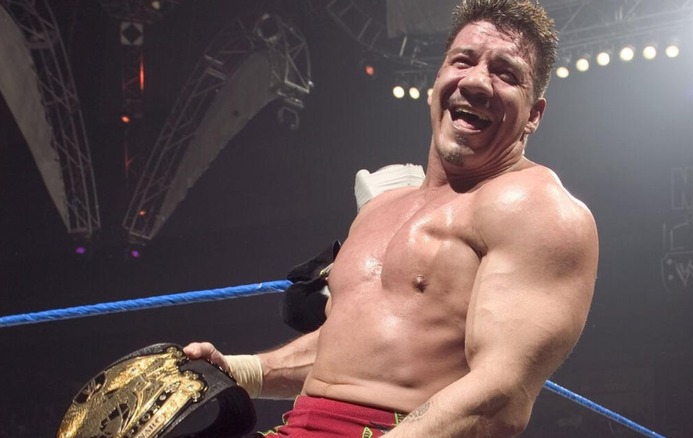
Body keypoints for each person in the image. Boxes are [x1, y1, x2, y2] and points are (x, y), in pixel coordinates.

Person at [185, 0, 599, 436]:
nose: (476, 80)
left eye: (506, 73)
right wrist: (239, 370)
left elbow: (502, 394)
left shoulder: (537, 207)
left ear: (533, 114)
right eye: (463, 60)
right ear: (436, 81)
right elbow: (354, 347)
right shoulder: (382, 208)